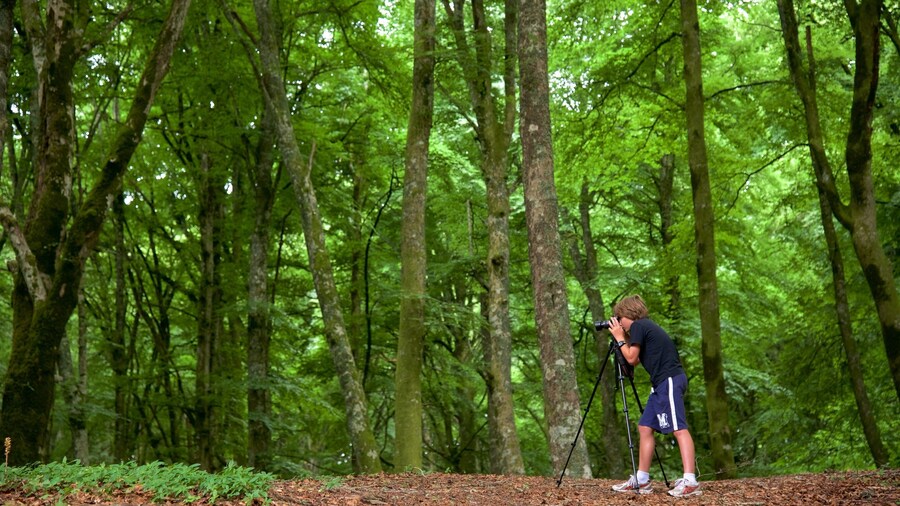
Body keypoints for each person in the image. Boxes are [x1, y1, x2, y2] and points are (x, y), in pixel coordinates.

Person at [608, 295, 701, 498]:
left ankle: (690, 480)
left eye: (619, 318)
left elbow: (631, 358)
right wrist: (624, 338)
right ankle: (642, 479)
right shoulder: (644, 328)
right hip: (661, 383)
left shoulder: (640, 325)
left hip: (669, 380)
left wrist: (619, 336)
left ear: (628, 315)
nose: (618, 322)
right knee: (645, 426)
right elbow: (636, 357)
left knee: (679, 428)